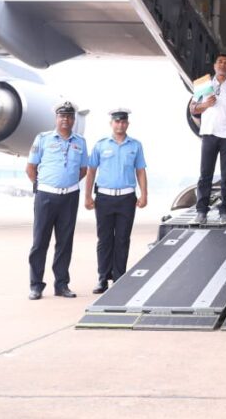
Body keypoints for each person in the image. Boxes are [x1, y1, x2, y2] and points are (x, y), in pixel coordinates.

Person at [25, 101, 88, 300]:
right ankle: (36, 285)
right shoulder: (43, 139)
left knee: (64, 243)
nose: (66, 120)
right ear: (56, 118)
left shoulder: (80, 142)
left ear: (73, 119)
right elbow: (30, 168)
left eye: (69, 116)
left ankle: (61, 285)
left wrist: (66, 184)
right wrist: (45, 185)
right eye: (62, 116)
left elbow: (83, 170)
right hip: (46, 196)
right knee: (40, 242)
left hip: (69, 196)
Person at [83, 108, 148, 294]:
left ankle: (119, 277)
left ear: (127, 124)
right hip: (104, 198)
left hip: (127, 197)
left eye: (123, 121)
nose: (120, 124)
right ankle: (102, 278)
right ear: (111, 123)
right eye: (117, 121)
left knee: (122, 239)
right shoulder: (101, 145)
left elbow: (141, 171)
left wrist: (144, 194)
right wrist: (87, 196)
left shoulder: (135, 145)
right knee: (104, 239)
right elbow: (91, 171)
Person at [189, 53, 226, 225]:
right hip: (209, 134)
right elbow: (193, 109)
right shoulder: (204, 85)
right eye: (219, 62)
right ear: (214, 66)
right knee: (205, 175)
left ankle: (225, 211)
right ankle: (201, 211)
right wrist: (205, 105)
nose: (222, 65)